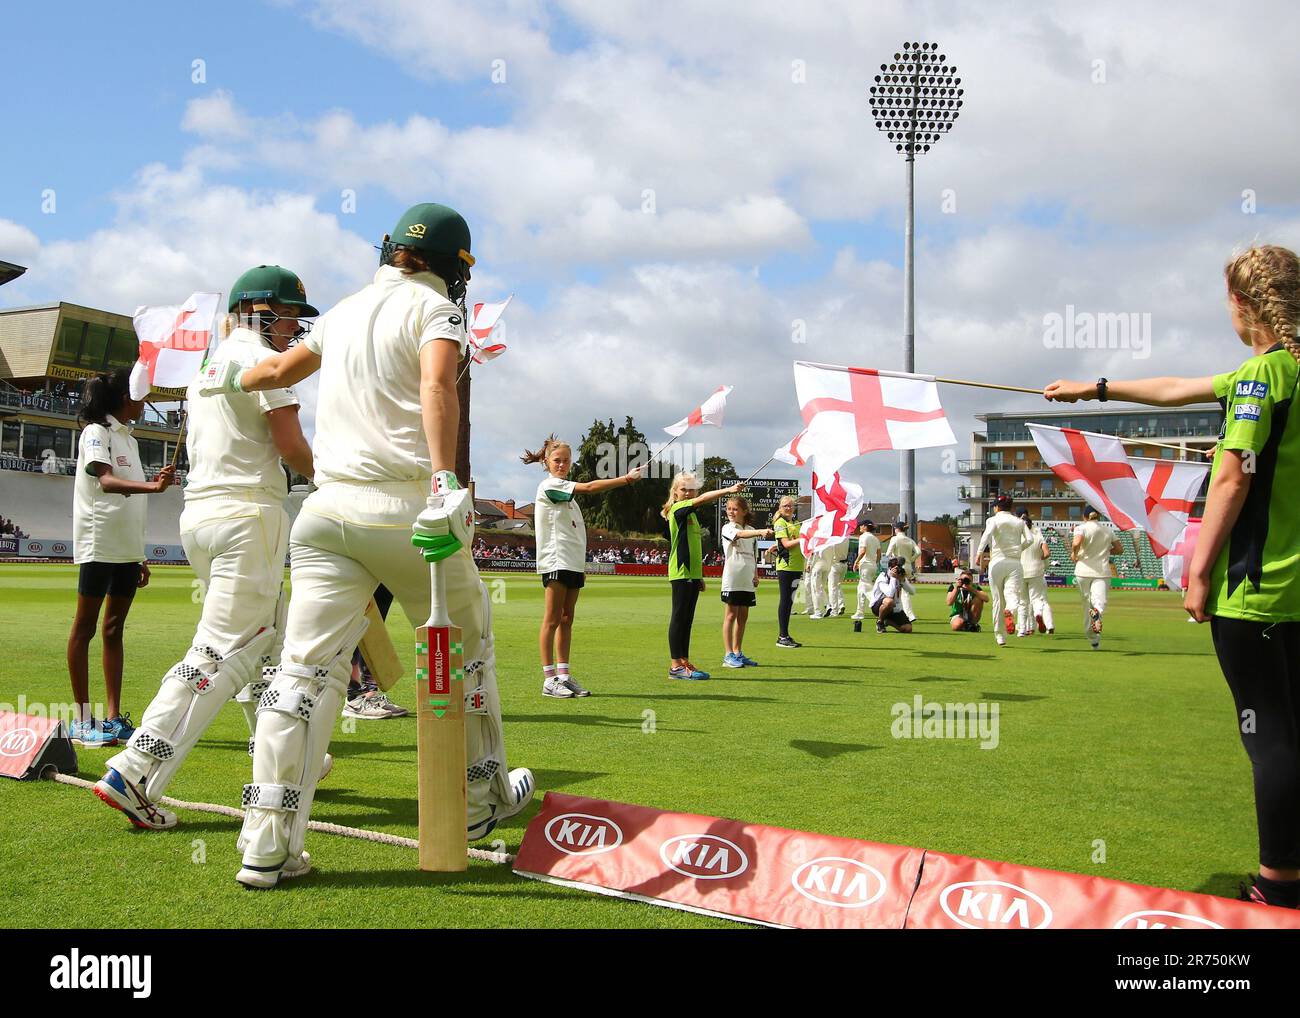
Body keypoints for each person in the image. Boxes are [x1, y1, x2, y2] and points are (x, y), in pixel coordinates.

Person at [201, 202, 533, 887]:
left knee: (302, 676)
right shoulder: (438, 312)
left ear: (390, 250)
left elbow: (272, 374)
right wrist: (445, 481)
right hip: (405, 509)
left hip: (324, 514)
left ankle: (266, 844)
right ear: (454, 266)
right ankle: (478, 804)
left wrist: (226, 376)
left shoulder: (347, 309)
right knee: (469, 657)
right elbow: (438, 384)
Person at [1046, 243, 1300, 907]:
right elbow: (1175, 388)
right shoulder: (1271, 375)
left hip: (1258, 593)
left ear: (1244, 306)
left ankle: (1279, 886)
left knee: (1270, 737)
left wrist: (1198, 572)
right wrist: (1093, 388)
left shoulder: (1261, 376)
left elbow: (1235, 478)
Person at [95, 266, 321, 827]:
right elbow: (293, 448)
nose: (293, 328)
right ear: (260, 311)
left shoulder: (208, 366)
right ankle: (135, 769)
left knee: (266, 648)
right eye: (288, 314)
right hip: (249, 515)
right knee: (223, 650)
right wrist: (337, 480)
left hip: (201, 517)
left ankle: (286, 760)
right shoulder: (263, 365)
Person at [67, 369, 176, 748]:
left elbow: (130, 503)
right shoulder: (95, 433)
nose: (144, 403)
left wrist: (140, 555)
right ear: (122, 399)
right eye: (139, 396)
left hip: (127, 551)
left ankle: (113, 719)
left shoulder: (128, 439)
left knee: (114, 631)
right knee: (85, 629)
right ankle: (81, 720)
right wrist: (153, 486)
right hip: (99, 545)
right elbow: (107, 482)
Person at [523, 434, 642, 697]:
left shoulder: (566, 493)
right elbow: (589, 488)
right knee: (552, 618)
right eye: (557, 460)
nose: (562, 465)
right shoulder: (549, 486)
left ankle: (563, 675)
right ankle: (548, 679)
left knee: (567, 618)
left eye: (566, 461)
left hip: (574, 561)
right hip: (556, 559)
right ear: (546, 461)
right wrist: (626, 479)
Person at [662, 472, 740, 679]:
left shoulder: (692, 516)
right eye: (684, 489)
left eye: (691, 489)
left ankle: (684, 661)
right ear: (675, 493)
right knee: (679, 618)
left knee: (687, 619)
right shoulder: (678, 509)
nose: (688, 493)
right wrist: (727, 490)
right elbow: (703, 499)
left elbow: (694, 548)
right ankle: (675, 665)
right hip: (680, 572)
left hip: (692, 574)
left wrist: (699, 576)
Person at [719, 495, 772, 668]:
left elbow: (753, 554)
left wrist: (755, 574)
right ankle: (728, 655)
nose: (731, 512)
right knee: (731, 615)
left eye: (735, 509)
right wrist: (760, 531)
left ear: (744, 511)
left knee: (743, 616)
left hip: (747, 578)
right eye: (729, 509)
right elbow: (739, 535)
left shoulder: (750, 529)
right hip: (733, 577)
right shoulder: (728, 528)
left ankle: (737, 652)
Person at [976, 494, 1034, 646]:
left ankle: (999, 636)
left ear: (996, 507)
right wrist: (1018, 549)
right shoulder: (1019, 522)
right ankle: (1010, 610)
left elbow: (986, 535)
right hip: (1014, 562)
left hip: (997, 562)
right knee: (1011, 594)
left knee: (997, 600)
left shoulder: (992, 520)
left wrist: (979, 553)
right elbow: (1030, 540)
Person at [1069, 509, 1122, 649]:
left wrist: (1074, 553)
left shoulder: (1081, 528)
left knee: (1087, 604)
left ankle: (1092, 638)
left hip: (1083, 571)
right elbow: (1120, 549)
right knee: (1099, 602)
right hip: (1102, 571)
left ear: (1084, 517)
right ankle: (1097, 615)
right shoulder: (1108, 530)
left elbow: (1076, 543)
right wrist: (1106, 551)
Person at [771, 494, 805, 648]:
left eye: (791, 505)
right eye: (785, 505)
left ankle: (785, 635)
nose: (789, 508)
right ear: (780, 507)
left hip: (797, 565)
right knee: (785, 600)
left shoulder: (796, 523)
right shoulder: (780, 523)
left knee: (790, 601)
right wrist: (803, 539)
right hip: (786, 566)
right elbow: (786, 544)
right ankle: (782, 636)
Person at [1018, 508, 1054, 634]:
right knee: (1037, 600)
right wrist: (1039, 559)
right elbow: (1047, 553)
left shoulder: (1018, 536)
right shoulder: (1037, 533)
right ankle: (1038, 614)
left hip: (1021, 571)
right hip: (1037, 571)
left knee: (1023, 602)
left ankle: (1022, 630)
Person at [885, 520, 921, 621]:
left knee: (895, 590)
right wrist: (910, 560)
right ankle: (906, 613)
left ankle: (907, 614)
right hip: (908, 566)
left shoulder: (894, 539)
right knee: (904, 591)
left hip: (898, 567)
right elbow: (918, 552)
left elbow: (888, 553)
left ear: (896, 529)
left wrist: (893, 558)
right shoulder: (910, 540)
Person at [870, 557, 913, 634]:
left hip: (895, 608)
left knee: (908, 628)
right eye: (895, 568)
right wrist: (893, 578)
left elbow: (912, 591)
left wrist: (903, 580)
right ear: (890, 568)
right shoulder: (883, 577)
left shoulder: (899, 576)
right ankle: (880, 622)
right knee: (889, 601)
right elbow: (889, 594)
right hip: (878, 606)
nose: (897, 570)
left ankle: (888, 621)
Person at [851, 520, 883, 621]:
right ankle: (859, 612)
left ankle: (879, 606)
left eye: (861, 525)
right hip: (872, 565)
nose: (859, 527)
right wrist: (875, 562)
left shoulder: (863, 537)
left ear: (865, 527)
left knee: (866, 588)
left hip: (865, 565)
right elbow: (879, 554)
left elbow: (863, 551)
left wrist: (856, 562)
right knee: (860, 588)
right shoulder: (875, 538)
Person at [828, 534, 850, 616]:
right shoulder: (846, 537)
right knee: (837, 586)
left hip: (835, 564)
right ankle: (841, 605)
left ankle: (834, 610)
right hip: (844, 564)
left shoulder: (833, 539)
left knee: (832, 588)